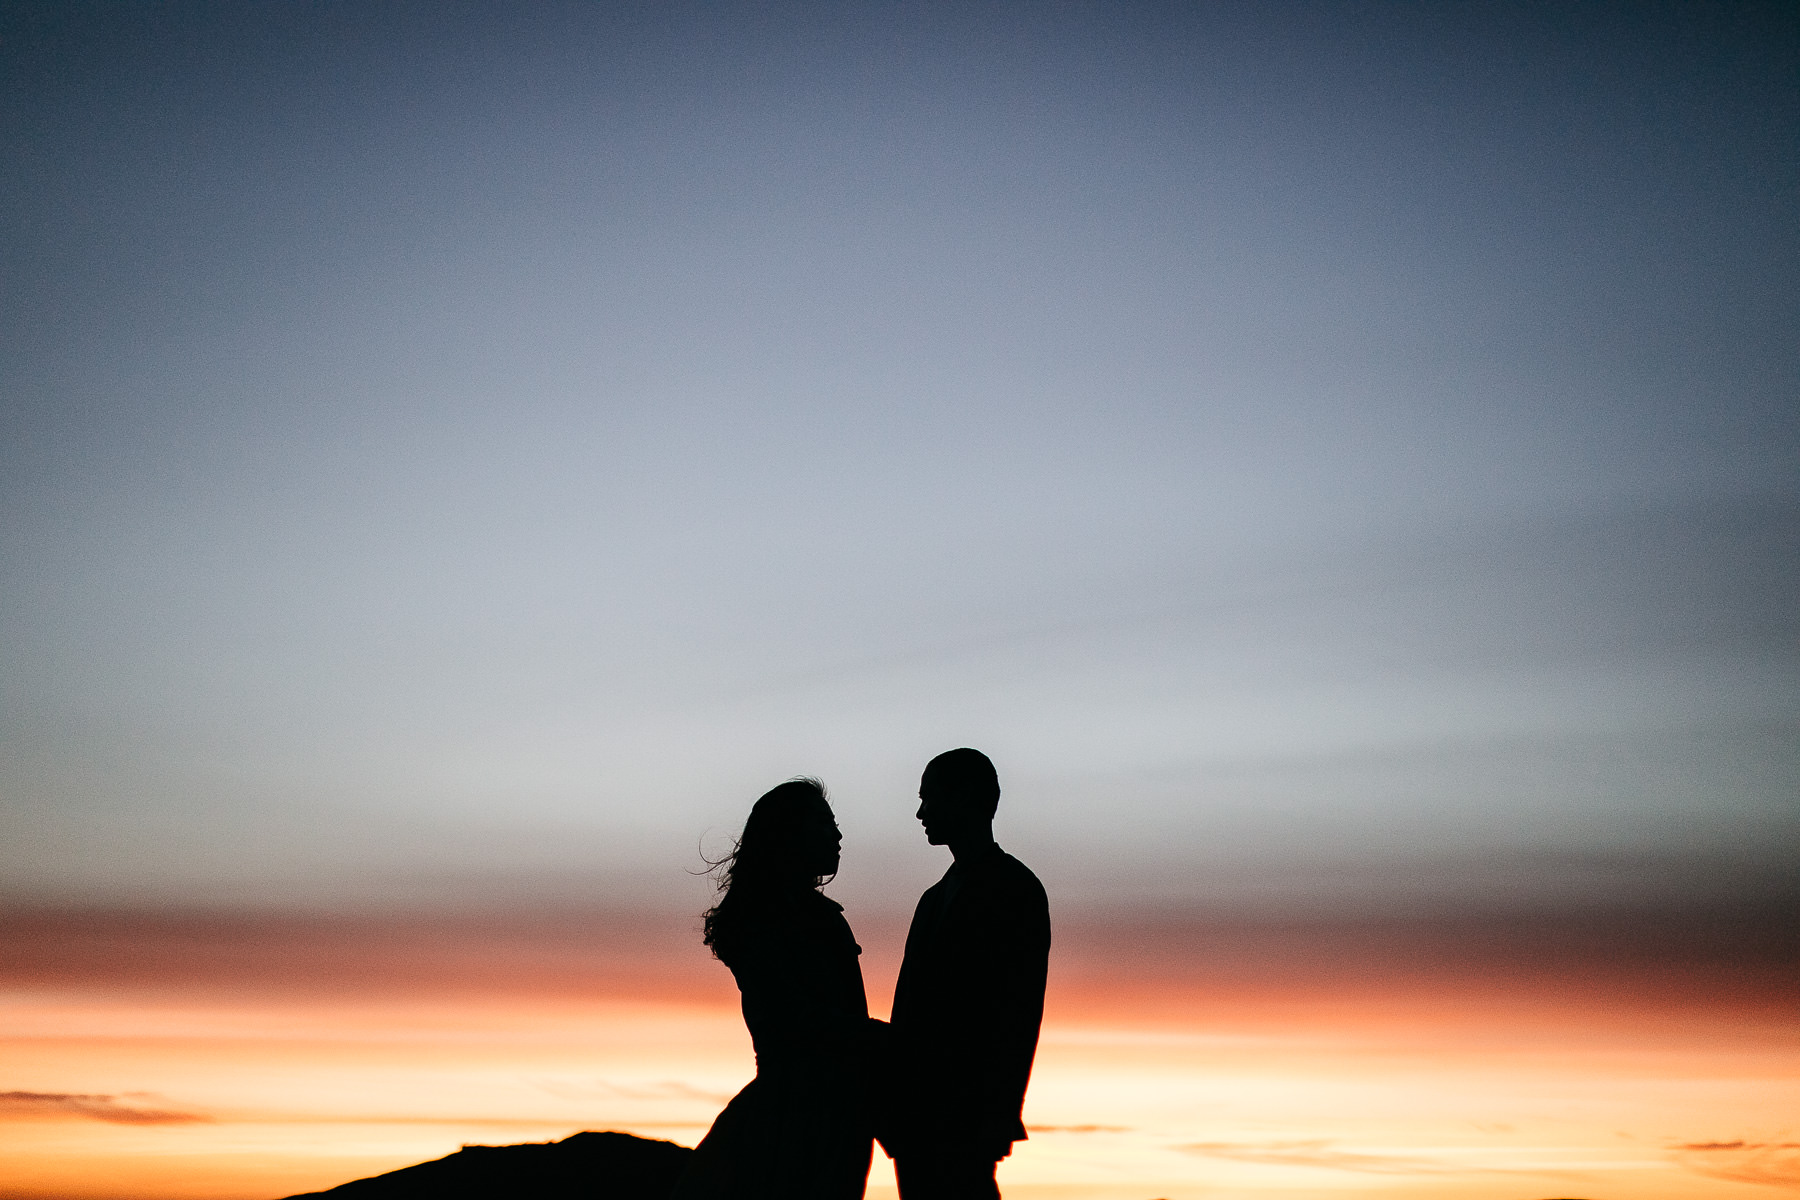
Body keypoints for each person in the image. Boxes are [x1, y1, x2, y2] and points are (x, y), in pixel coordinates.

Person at [674, 778, 880, 1200]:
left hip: (823, 1112)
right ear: (792, 833)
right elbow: (800, 1021)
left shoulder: (801, 915)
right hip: (799, 1120)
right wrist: (897, 1043)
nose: (838, 835)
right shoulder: (770, 920)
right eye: (826, 824)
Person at [878, 748, 1051, 1199]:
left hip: (967, 1118)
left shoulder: (1016, 889)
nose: (920, 813)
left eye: (928, 798)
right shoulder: (932, 899)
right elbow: (908, 1010)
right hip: (916, 1118)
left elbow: (1019, 1010)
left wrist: (997, 1114)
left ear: (965, 797)